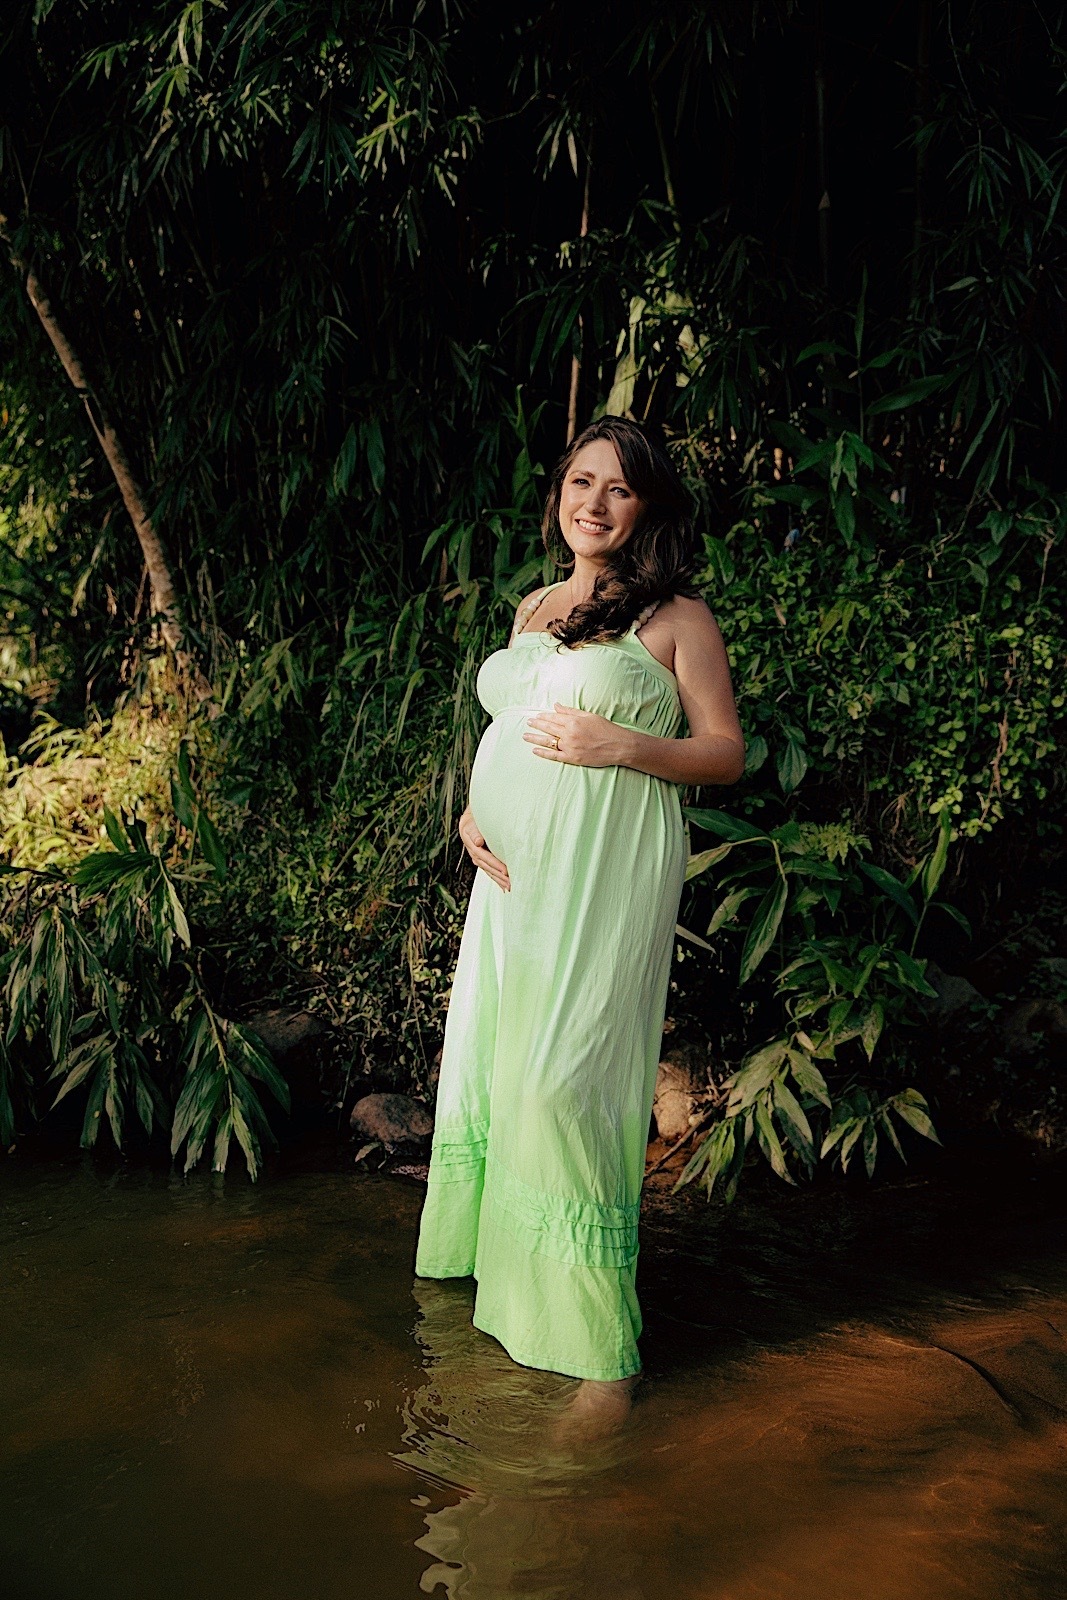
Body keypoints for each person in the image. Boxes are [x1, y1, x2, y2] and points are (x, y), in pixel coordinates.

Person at [414, 415, 745, 1431]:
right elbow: (509, 727)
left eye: (617, 488)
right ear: (557, 489)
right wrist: (472, 814)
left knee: (564, 1082)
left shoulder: (675, 616)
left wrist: (618, 744)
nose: (591, 502)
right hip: (507, 882)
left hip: (603, 879)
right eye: (578, 480)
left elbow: (724, 752)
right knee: (497, 1067)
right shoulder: (536, 603)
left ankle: (602, 1355)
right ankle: (505, 1299)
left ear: (645, 508)